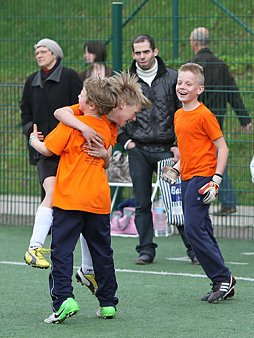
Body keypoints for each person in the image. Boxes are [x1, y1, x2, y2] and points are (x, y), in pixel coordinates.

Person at [28, 76, 147, 323]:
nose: (78, 97)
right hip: (99, 201)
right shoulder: (108, 127)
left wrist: (33, 141)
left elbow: (47, 150)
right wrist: (101, 150)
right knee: (102, 252)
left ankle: (63, 300)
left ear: (91, 103)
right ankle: (108, 304)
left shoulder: (73, 124)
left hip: (70, 199)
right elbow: (63, 113)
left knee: (62, 252)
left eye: (81, 93)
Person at [50, 72, 151, 295]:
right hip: (72, 192)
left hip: (93, 194)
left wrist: (104, 154)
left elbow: (105, 160)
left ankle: (88, 277)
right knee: (69, 241)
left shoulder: (113, 127)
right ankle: (42, 248)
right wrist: (84, 128)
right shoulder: (92, 109)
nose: (134, 119)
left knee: (96, 242)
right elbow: (60, 112)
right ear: (122, 104)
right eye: (133, 113)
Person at [119, 34, 197, 265]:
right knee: (142, 203)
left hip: (167, 150)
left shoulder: (173, 78)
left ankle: (194, 250)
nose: (142, 56)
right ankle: (146, 250)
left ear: (155, 51)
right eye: (138, 52)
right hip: (138, 150)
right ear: (133, 54)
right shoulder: (125, 82)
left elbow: (183, 112)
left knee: (177, 202)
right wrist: (126, 143)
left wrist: (177, 145)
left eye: (146, 51)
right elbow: (113, 114)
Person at [162, 62, 236, 303]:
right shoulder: (178, 115)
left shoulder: (205, 115)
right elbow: (189, 150)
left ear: (200, 89)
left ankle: (222, 277)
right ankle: (223, 281)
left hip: (203, 178)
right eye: (180, 82)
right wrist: (175, 167)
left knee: (193, 229)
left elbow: (222, 148)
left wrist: (216, 180)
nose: (182, 87)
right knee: (202, 228)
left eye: (188, 84)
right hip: (187, 178)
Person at [21, 38, 83, 269]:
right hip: (43, 150)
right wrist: (30, 133)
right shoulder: (31, 80)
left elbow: (80, 109)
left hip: (68, 148)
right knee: (50, 191)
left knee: (64, 195)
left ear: (55, 54)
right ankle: (38, 245)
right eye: (37, 51)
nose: (39, 55)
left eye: (44, 51)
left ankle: (53, 243)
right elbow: (25, 112)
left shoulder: (70, 77)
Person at [188, 27, 252, 216]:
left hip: (195, 121)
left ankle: (210, 200)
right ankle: (226, 200)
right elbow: (233, 92)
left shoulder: (192, 67)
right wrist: (244, 119)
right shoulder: (221, 65)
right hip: (216, 122)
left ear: (195, 43)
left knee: (200, 162)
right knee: (215, 161)